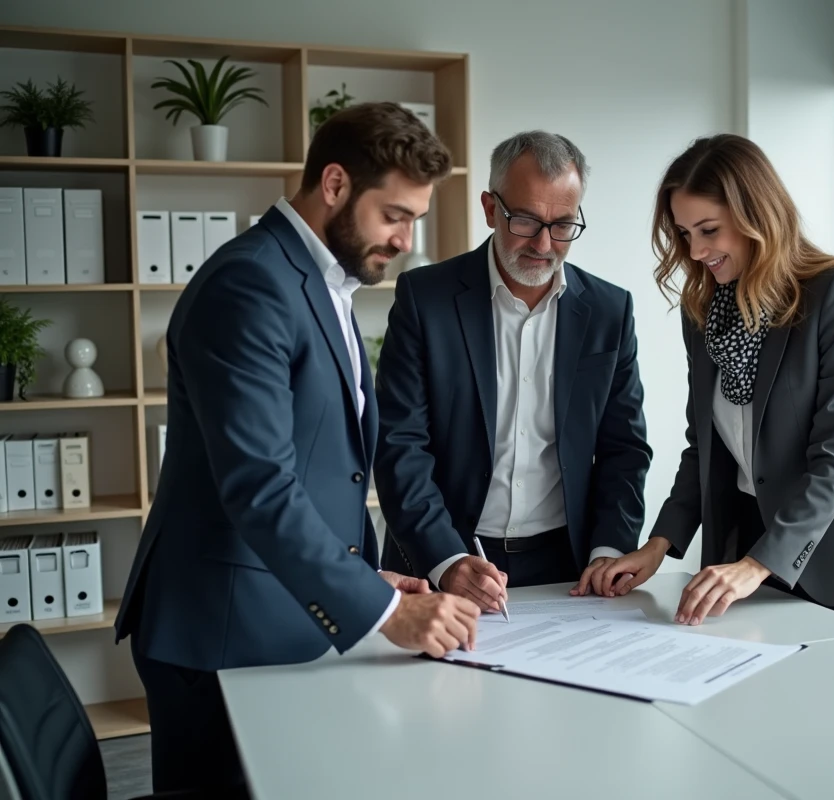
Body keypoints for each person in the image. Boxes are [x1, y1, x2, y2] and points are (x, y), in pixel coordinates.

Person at [114, 103, 481, 796]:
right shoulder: (249, 284)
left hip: (275, 619)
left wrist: (367, 579)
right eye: (394, 215)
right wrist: (386, 613)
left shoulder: (320, 279)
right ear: (335, 184)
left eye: (415, 220)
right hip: (220, 632)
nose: (406, 240)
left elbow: (322, 468)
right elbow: (260, 485)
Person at [591, 133, 834, 630]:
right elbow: (703, 448)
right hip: (747, 544)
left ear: (756, 216)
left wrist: (757, 565)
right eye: (684, 233)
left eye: (709, 230)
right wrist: (657, 546)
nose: (696, 250)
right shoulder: (702, 312)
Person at [374, 130, 652, 611]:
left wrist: (609, 550)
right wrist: (446, 560)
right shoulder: (425, 299)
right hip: (445, 558)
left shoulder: (610, 310)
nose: (544, 244)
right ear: (490, 208)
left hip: (570, 566)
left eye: (562, 225)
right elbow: (400, 445)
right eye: (525, 220)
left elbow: (624, 449)